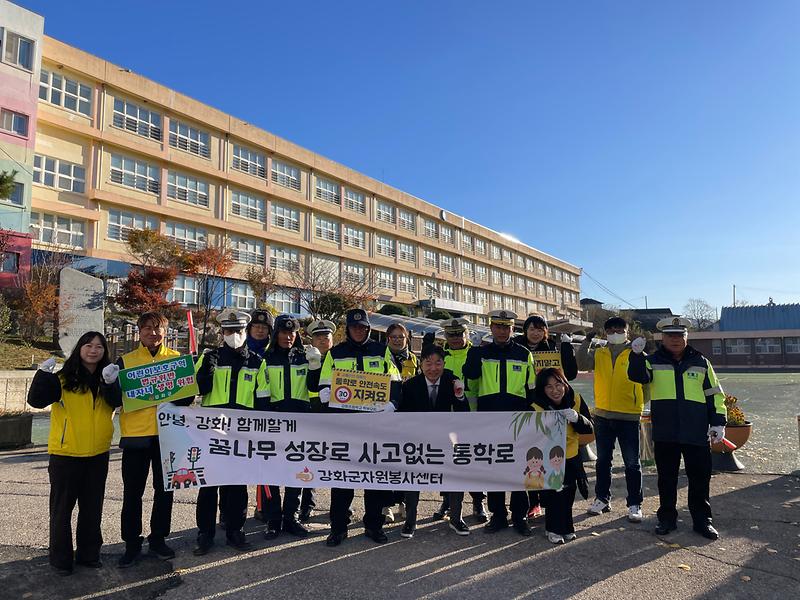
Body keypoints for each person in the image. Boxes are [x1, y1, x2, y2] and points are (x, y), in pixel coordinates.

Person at [27, 332, 120, 576]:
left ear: (104, 351)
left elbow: (118, 403)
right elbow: (36, 401)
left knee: (92, 508)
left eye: (99, 346)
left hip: (98, 453)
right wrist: (42, 375)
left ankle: (89, 555)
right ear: (79, 349)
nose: (93, 350)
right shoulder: (62, 378)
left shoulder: (108, 378)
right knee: (61, 510)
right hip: (66, 454)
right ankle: (61, 560)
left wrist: (110, 385)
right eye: (88, 345)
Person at [628, 317, 726, 540]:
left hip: (696, 431)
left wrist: (719, 422)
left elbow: (715, 395)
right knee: (667, 479)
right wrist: (635, 356)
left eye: (679, 335)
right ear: (663, 338)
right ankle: (667, 519)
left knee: (700, 479)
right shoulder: (651, 361)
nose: (675, 339)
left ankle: (703, 521)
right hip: (666, 432)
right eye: (670, 335)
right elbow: (636, 376)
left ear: (686, 337)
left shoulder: (701, 362)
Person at [317, 308, 402, 546]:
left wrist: (393, 404)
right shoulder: (335, 353)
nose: (359, 330)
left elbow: (395, 381)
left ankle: (374, 526)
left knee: (373, 479)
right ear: (348, 329)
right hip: (344, 427)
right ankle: (338, 528)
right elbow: (324, 383)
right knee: (342, 480)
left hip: (375, 426)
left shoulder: (381, 350)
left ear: (368, 328)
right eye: (354, 327)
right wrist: (325, 394)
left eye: (363, 327)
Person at [193, 308, 270, 556]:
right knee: (208, 486)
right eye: (228, 331)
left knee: (238, 486)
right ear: (222, 332)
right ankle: (205, 533)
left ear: (244, 332)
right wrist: (207, 367)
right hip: (212, 433)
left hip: (242, 435)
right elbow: (196, 389)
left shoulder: (257, 362)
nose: (233, 334)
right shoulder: (209, 357)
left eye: (237, 330)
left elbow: (263, 401)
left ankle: (236, 531)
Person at [112, 312, 186, 568]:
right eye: (147, 329)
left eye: (157, 329)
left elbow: (186, 398)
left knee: (164, 491)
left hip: (167, 436)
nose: (152, 333)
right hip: (135, 437)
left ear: (165, 331)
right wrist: (109, 383)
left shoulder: (177, 360)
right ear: (139, 332)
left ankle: (158, 539)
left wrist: (172, 395)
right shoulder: (125, 361)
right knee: (132, 493)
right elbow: (114, 399)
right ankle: (131, 543)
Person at [462, 310, 535, 537]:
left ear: (513, 329)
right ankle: (498, 516)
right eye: (498, 326)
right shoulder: (481, 352)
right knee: (493, 469)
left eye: (507, 327)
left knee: (518, 469)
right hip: (489, 419)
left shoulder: (523, 354)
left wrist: (531, 417)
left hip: (517, 421)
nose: (503, 331)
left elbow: (531, 388)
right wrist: (473, 351)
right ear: (491, 328)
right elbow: (470, 378)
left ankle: (520, 516)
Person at [576, 317, 645, 522]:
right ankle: (602, 499)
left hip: (629, 415)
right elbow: (581, 363)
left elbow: (646, 380)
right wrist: (586, 341)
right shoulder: (600, 352)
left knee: (632, 462)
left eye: (619, 329)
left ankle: (635, 503)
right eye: (611, 330)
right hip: (603, 414)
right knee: (603, 461)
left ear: (627, 331)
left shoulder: (636, 352)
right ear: (605, 333)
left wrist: (638, 403)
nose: (615, 332)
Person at [399, 344, 470, 538]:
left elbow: (465, 414)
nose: (433, 368)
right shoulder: (410, 385)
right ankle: (410, 521)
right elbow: (402, 415)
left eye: (438, 363)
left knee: (455, 477)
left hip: (446, 438)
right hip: (417, 440)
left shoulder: (452, 381)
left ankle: (456, 518)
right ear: (421, 365)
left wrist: (460, 395)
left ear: (444, 364)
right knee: (413, 479)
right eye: (428, 363)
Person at [261, 315, 321, 540]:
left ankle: (291, 517)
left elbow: (314, 387)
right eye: (284, 333)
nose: (288, 337)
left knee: (297, 472)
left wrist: (315, 366)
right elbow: (261, 392)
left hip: (301, 422)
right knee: (272, 473)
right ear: (276, 334)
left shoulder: (303, 357)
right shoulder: (265, 358)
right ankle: (273, 520)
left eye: (292, 333)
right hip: (273, 423)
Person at [514, 314, 577, 520]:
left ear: (545, 332)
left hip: (549, 406)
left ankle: (549, 500)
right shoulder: (516, 346)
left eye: (540, 329)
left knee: (550, 455)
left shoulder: (551, 349)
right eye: (532, 328)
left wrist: (567, 349)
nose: (535, 333)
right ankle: (533, 502)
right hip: (526, 405)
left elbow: (569, 374)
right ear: (525, 330)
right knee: (530, 456)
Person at [433, 317, 488, 523]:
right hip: (446, 417)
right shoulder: (439, 356)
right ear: (445, 335)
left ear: (467, 334)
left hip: (472, 416)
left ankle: (478, 501)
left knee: (473, 462)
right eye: (451, 334)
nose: (455, 338)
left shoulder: (478, 354)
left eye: (459, 334)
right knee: (445, 462)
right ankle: (447, 500)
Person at [531, 368, 594, 544]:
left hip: (571, 455)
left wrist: (577, 418)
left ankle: (567, 527)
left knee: (569, 492)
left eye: (558, 384)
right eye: (549, 387)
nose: (555, 390)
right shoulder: (535, 405)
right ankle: (552, 528)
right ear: (542, 389)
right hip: (547, 458)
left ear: (565, 384)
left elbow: (589, 428)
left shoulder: (575, 399)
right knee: (553, 494)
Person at [294, 318, 335, 523]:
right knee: (308, 461)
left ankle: (340, 508)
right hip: (311, 413)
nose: (322, 340)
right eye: (318, 337)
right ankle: (306, 506)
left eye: (325, 336)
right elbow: (309, 385)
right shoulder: (306, 357)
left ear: (331, 338)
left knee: (338, 462)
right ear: (312, 339)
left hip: (336, 417)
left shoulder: (339, 356)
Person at [384, 321, 419, 522]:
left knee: (405, 462)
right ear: (388, 339)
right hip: (386, 416)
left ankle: (403, 502)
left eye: (401, 337)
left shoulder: (413, 359)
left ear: (407, 339)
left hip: (408, 416)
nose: (397, 340)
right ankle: (386, 504)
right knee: (386, 461)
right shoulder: (381, 358)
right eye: (393, 337)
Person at [248, 309, 275, 524]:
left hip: (268, 414)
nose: (259, 330)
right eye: (256, 326)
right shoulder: (240, 348)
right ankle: (227, 511)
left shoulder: (274, 352)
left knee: (265, 464)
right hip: (242, 413)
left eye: (264, 327)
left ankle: (263, 507)